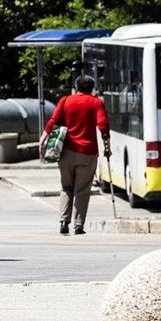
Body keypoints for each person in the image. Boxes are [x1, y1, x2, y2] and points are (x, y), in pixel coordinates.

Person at [39, 74, 110, 235]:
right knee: (82, 190)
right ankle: (78, 226)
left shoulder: (65, 100)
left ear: (77, 87)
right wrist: (107, 148)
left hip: (66, 152)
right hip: (87, 153)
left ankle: (64, 222)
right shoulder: (96, 103)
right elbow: (103, 126)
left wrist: (43, 139)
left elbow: (54, 120)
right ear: (92, 88)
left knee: (66, 187)